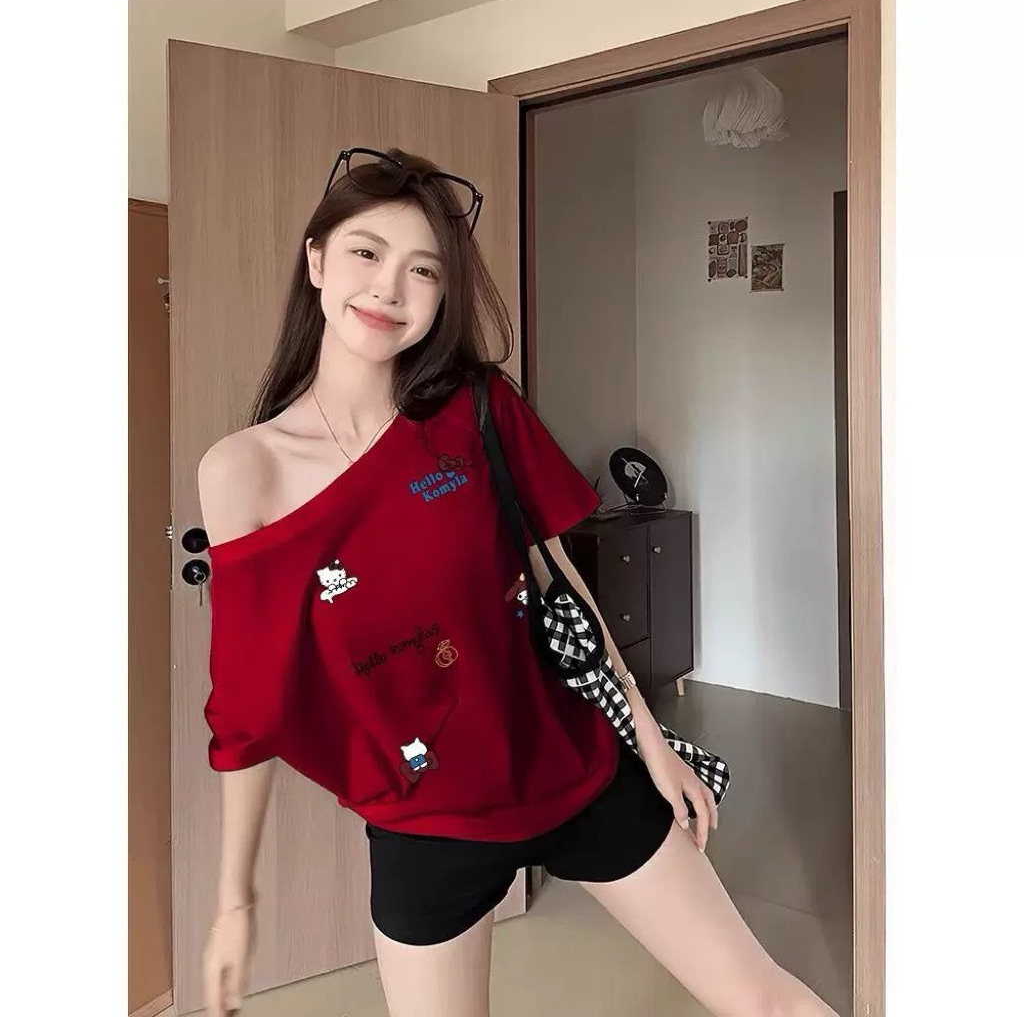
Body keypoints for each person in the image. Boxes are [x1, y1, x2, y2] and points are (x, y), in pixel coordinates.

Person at [198, 147, 841, 1017]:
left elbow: (562, 581)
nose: (389, 287)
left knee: (765, 999)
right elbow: (247, 706)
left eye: (423, 269)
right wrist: (235, 901)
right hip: (425, 828)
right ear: (316, 260)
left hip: (576, 770)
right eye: (366, 252)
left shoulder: (478, 409)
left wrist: (650, 740)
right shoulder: (244, 472)